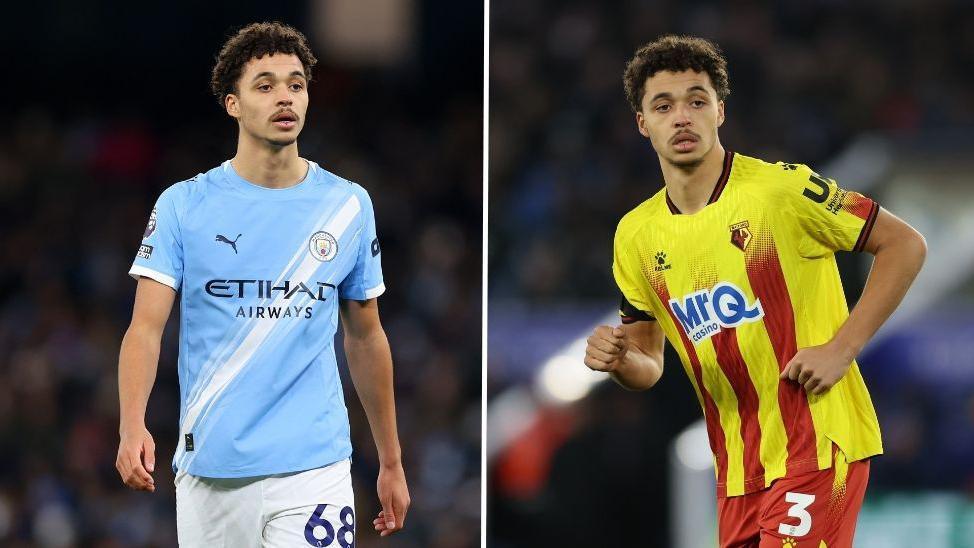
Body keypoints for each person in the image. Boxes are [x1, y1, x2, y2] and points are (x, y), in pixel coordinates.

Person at [583, 35, 925, 547]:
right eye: (664, 105)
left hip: (818, 442)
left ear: (720, 111)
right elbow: (647, 362)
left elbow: (904, 244)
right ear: (642, 123)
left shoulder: (780, 192)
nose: (682, 117)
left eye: (697, 101)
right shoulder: (636, 234)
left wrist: (842, 348)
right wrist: (618, 360)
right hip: (738, 470)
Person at [115, 21, 410, 546]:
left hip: (313, 467)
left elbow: (366, 337)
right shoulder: (184, 205)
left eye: (296, 84)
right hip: (211, 468)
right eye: (265, 85)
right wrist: (131, 423)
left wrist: (391, 460)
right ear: (233, 104)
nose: (285, 97)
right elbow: (145, 327)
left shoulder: (346, 205)